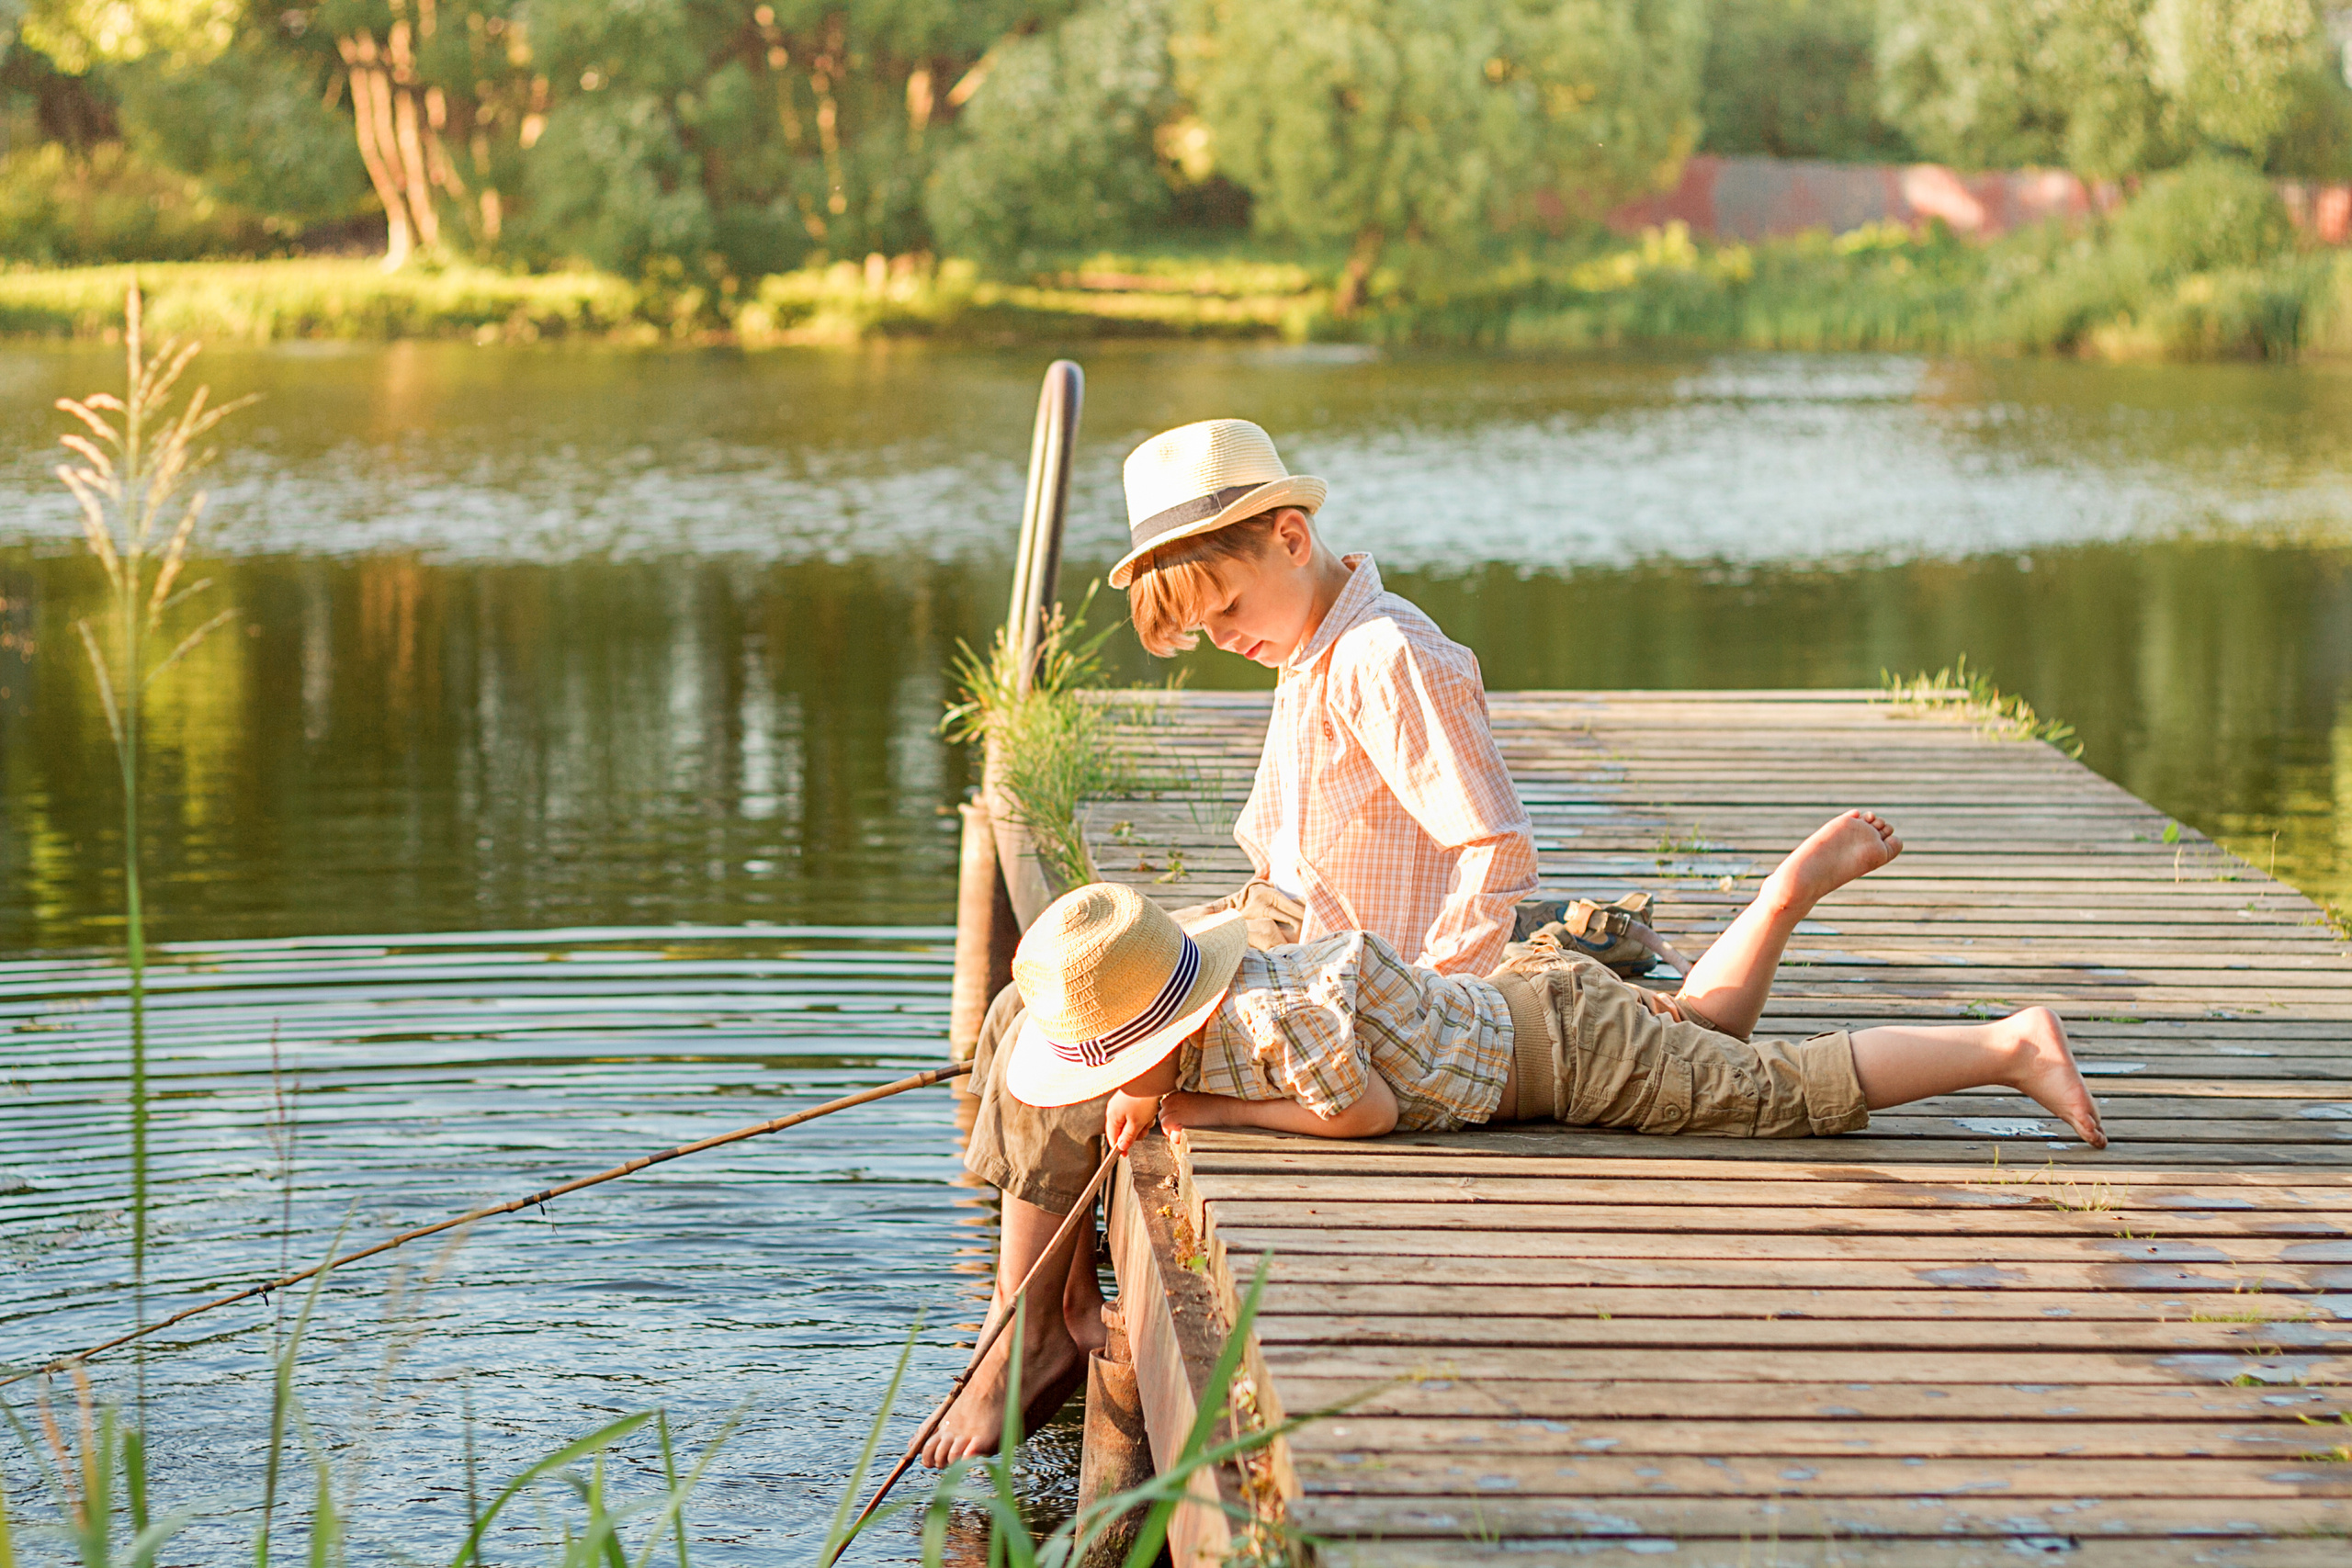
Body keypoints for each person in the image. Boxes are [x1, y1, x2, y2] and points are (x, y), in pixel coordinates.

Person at [934, 810, 2105, 1467]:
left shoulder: (1268, 1021)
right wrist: (1167, 1092)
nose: (1106, 1091)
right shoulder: (1216, 999)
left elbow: (1364, 1117)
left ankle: (2007, 1046)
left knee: (1773, 1092)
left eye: (1108, 1069)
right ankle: (1785, 896)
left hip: (1561, 1057)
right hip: (1532, 1000)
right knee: (1701, 1039)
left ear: (1165, 1031)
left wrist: (1204, 1114)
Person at [943, 417, 1538, 1463]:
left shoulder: (1386, 655)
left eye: (1225, 611)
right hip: (1281, 919)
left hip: (1340, 965)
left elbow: (1492, 846)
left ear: (1290, 539)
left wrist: (1446, 1000)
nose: (1223, 640)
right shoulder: (1310, 642)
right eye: (1202, 631)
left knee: (1092, 1043)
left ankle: (1025, 1340)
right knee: (1029, 1006)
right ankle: (1054, 1308)